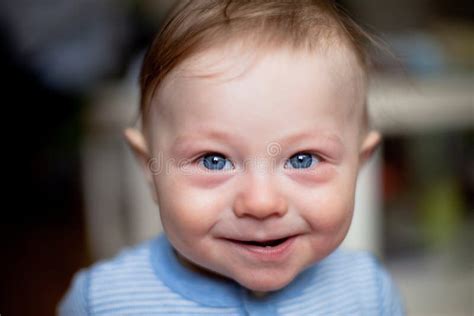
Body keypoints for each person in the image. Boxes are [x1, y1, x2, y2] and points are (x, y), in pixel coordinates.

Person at [59, 0, 405, 315]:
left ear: (359, 165)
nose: (261, 203)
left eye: (303, 159)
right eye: (214, 160)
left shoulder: (368, 293)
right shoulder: (104, 302)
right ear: (149, 168)